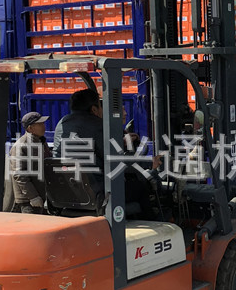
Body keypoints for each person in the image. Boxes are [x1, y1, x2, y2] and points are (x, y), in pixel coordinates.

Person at [53, 88, 160, 218]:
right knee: (140, 187)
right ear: (94, 109)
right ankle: (155, 223)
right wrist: (148, 163)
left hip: (67, 192)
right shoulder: (98, 126)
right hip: (96, 193)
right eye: (100, 105)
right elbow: (115, 160)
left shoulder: (62, 124)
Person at [9, 111, 52, 214]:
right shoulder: (21, 146)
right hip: (28, 200)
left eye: (43, 123)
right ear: (30, 128)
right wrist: (33, 197)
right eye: (40, 124)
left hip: (41, 195)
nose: (44, 126)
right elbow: (19, 174)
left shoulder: (41, 141)